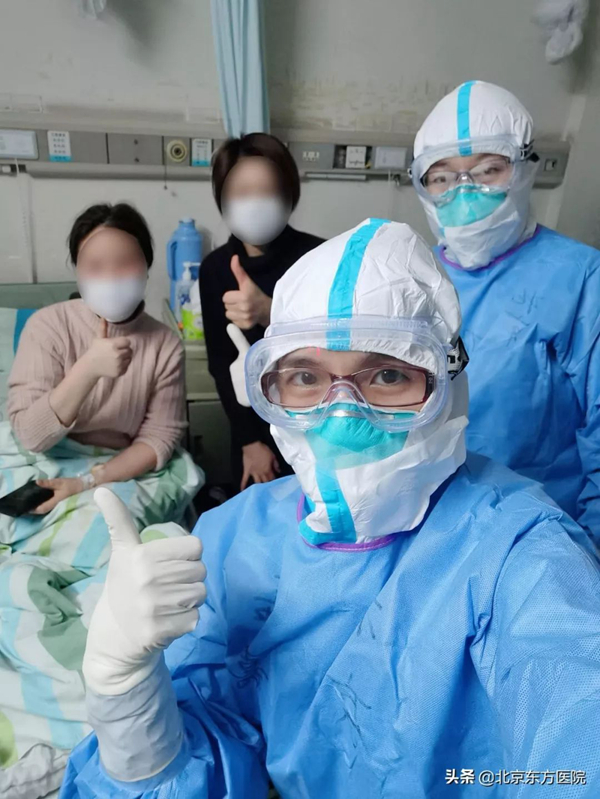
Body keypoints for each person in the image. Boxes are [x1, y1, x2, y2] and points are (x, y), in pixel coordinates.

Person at [61, 220, 600, 798]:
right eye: (305, 376)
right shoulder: (233, 538)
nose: (342, 416)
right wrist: (126, 694)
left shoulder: (519, 553)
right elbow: (201, 760)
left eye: (388, 374)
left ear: (448, 383)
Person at [411, 80, 600, 543]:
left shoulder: (580, 278)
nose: (464, 192)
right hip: (433, 523)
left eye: (488, 170)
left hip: (545, 528)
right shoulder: (413, 276)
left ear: (525, 168)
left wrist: (589, 549)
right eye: (442, 178)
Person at [8, 203, 187, 513]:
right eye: (95, 266)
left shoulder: (165, 344)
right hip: (45, 459)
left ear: (147, 267)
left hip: (119, 468)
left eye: (125, 263)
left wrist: (88, 482)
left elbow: (159, 437)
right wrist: (87, 370)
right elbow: (31, 437)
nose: (111, 277)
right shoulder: (47, 326)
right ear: (78, 272)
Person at [200, 132, 323, 491]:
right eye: (241, 193)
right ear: (223, 200)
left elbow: (336, 344)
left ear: (289, 196)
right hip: (252, 431)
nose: (254, 203)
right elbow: (220, 363)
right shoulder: (215, 269)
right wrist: (249, 441)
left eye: (267, 191)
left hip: (316, 423)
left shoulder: (318, 258)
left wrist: (270, 311)